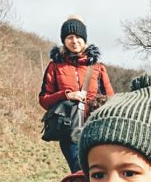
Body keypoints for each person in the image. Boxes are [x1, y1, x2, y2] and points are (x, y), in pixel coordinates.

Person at [38, 16, 114, 172]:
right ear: (64, 41)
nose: (74, 41)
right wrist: (67, 95)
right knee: (80, 174)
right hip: (70, 131)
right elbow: (44, 100)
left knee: (99, 173)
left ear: (84, 40)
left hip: (96, 130)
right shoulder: (55, 66)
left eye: (78, 37)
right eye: (69, 37)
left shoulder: (98, 67)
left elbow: (112, 100)